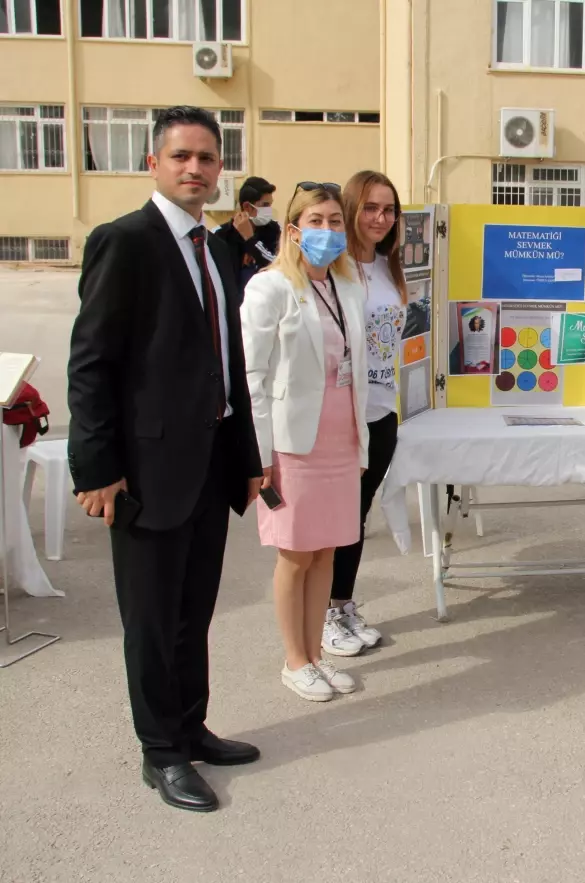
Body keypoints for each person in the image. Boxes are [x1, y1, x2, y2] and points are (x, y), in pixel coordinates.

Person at [66, 106, 264, 813]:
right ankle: (161, 752)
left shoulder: (213, 247)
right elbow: (91, 362)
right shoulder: (124, 241)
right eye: (181, 156)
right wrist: (95, 467)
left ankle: (190, 725)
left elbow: (225, 363)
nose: (195, 169)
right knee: (150, 619)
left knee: (192, 610)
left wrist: (246, 458)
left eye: (208, 158)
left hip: (208, 464)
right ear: (153, 163)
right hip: (147, 472)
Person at [241, 182, 370, 702]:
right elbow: (252, 375)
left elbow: (357, 371)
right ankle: (294, 660)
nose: (327, 230)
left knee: (326, 554)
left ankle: (315, 654)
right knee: (295, 555)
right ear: (293, 229)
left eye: (335, 221)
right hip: (291, 446)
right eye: (315, 220)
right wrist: (258, 455)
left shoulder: (347, 286)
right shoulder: (269, 288)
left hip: (341, 439)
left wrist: (360, 443)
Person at [327, 170, 409, 655]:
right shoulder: (332, 269)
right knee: (333, 520)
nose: (381, 218)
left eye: (390, 209)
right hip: (339, 416)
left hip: (382, 412)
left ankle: (343, 603)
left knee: (355, 517)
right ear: (352, 208)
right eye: (371, 208)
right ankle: (322, 617)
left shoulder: (389, 266)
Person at [213, 175, 280, 290]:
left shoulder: (274, 230)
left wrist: (251, 239)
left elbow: (276, 266)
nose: (269, 210)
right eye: (265, 205)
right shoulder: (221, 235)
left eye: (270, 204)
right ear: (247, 207)